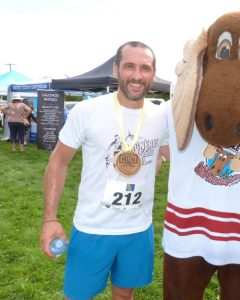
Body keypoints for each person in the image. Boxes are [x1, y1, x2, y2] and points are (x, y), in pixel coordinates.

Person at [40, 41, 169, 300]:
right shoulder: (88, 111)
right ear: (116, 69)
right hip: (93, 228)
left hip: (138, 229)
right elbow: (58, 161)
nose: (136, 75)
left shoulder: (161, 117)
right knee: (80, 295)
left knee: (124, 295)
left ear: (152, 74)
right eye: (129, 66)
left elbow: (174, 159)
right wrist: (50, 218)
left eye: (145, 68)